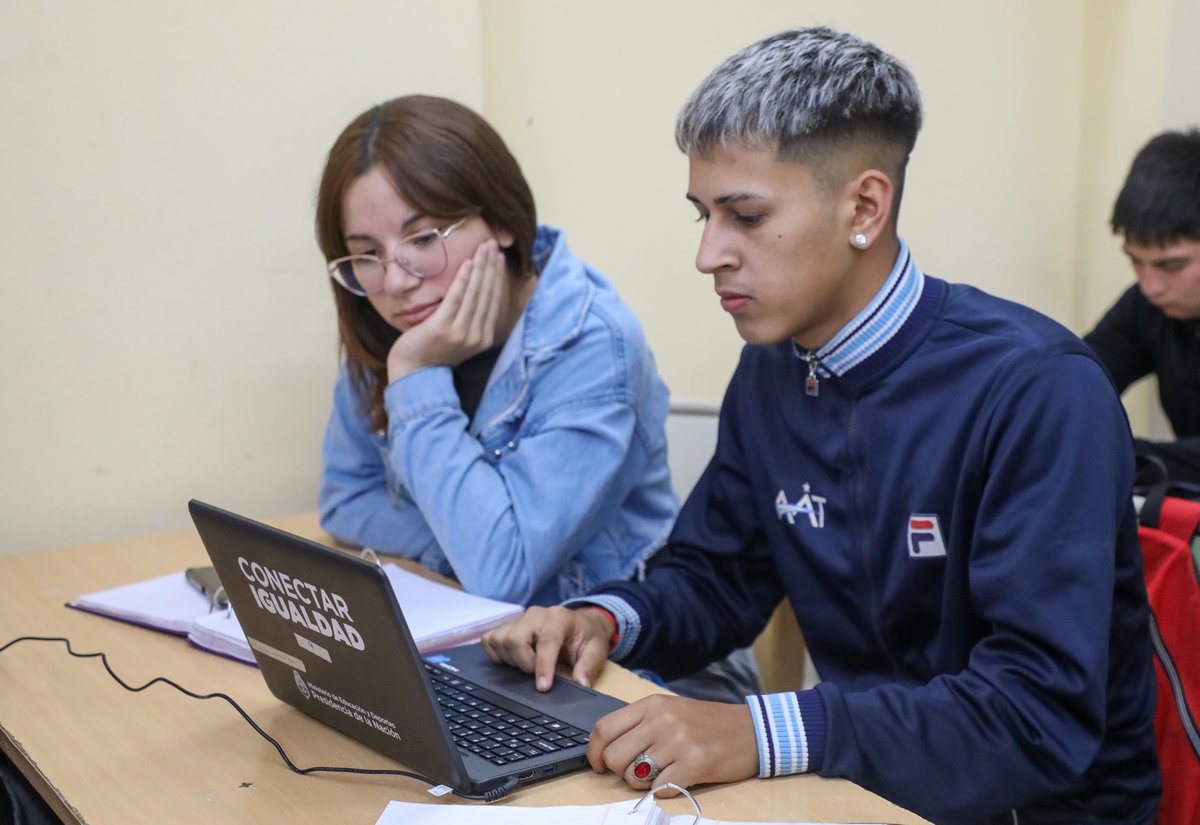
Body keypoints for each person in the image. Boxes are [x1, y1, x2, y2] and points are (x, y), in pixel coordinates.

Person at [482, 27, 1161, 824]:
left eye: (745, 215)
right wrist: (601, 619)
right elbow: (717, 575)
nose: (708, 254)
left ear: (864, 207)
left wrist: (761, 730)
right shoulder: (775, 369)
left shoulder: (1039, 390)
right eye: (703, 215)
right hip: (853, 788)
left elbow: (1032, 713)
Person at [313, 95, 758, 701]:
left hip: (646, 675)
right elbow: (344, 498)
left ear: (500, 221)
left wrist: (416, 373)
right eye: (365, 253)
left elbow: (500, 569)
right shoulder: (389, 331)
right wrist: (453, 542)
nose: (393, 281)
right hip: (492, 656)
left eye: (422, 238)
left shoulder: (591, 340)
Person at [1084, 128, 1200, 486]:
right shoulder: (1146, 306)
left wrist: (1108, 454)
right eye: (1136, 261)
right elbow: (1075, 382)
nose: (1150, 286)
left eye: (1171, 266)